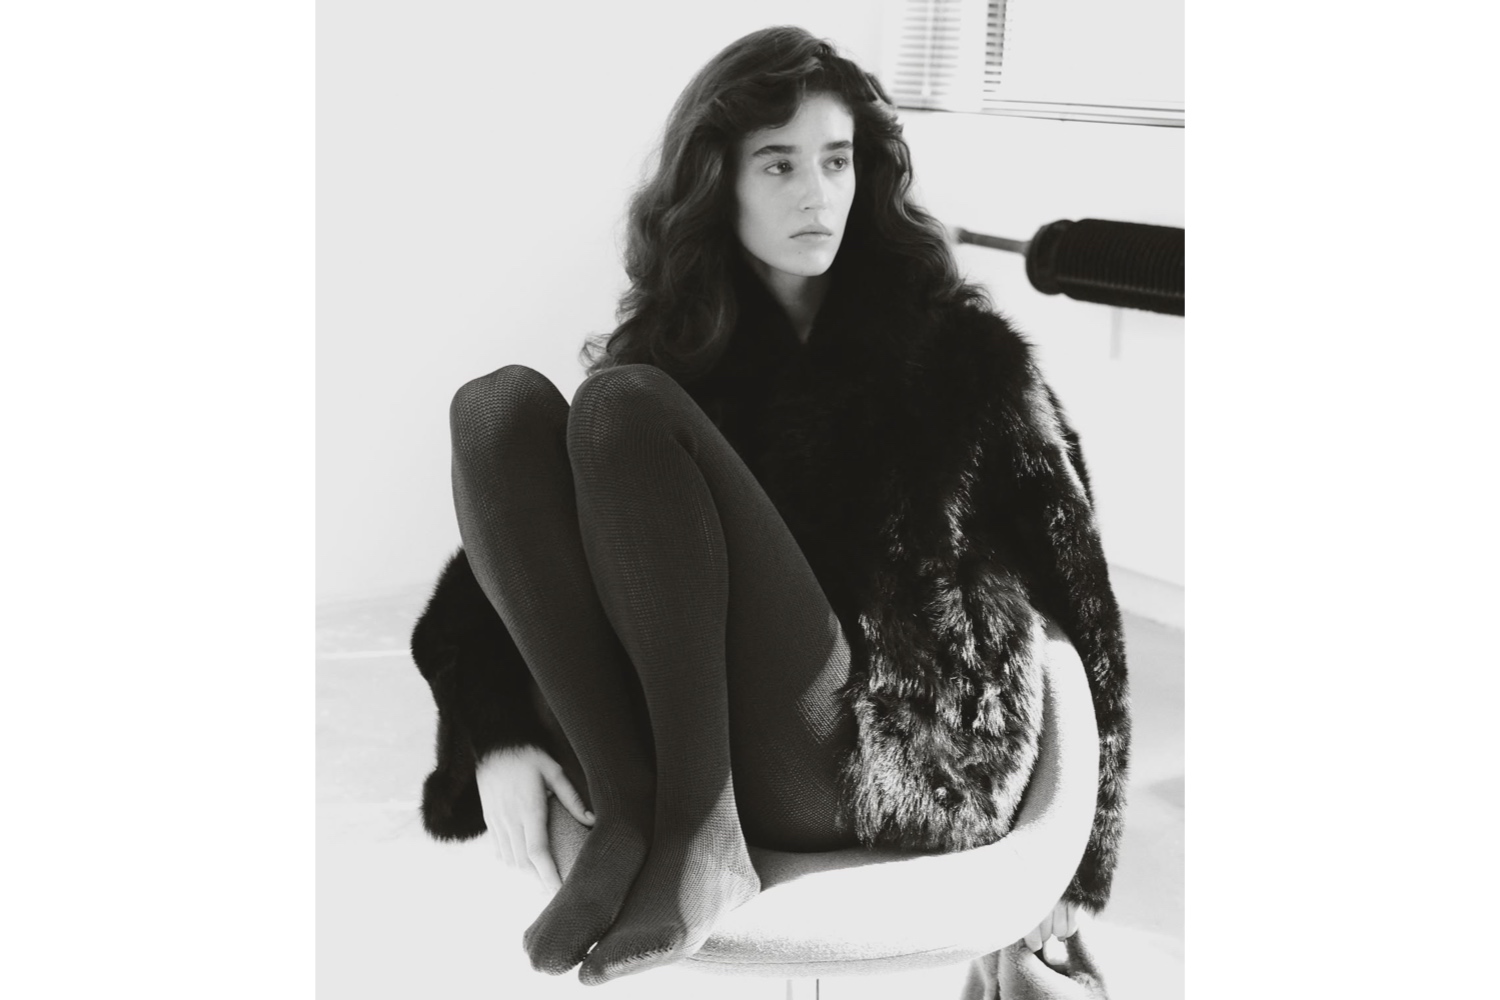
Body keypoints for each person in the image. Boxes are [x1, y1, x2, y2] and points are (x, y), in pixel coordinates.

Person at [409, 25, 1129, 995]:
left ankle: (701, 833)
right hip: (705, 728)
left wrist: (1080, 873)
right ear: (719, 184)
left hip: (887, 749)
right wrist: (492, 728)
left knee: (624, 405)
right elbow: (499, 576)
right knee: (496, 410)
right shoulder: (676, 359)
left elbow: (1080, 592)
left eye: (837, 160)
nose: (816, 194)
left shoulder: (961, 356)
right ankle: (637, 815)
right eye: (779, 164)